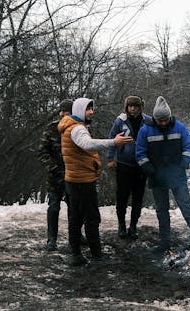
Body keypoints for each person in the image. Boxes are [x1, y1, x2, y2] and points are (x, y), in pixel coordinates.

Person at [58, 98, 133, 266]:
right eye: (88, 109)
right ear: (79, 111)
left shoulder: (71, 126)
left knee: (75, 218)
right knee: (91, 218)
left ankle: (76, 254)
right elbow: (88, 144)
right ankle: (96, 255)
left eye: (91, 109)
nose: (91, 112)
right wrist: (114, 142)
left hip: (74, 179)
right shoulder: (77, 129)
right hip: (82, 181)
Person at [135, 96, 190, 254]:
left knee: (185, 203)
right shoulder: (145, 130)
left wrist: (185, 160)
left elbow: (189, 145)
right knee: (161, 209)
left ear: (169, 117)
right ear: (155, 118)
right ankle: (165, 241)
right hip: (156, 175)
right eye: (160, 120)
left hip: (177, 172)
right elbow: (140, 153)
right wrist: (150, 170)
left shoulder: (179, 127)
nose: (163, 123)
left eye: (165, 120)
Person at [107, 95, 152, 240]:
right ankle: (121, 225)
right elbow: (112, 138)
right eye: (130, 106)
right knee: (122, 196)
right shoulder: (120, 120)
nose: (132, 109)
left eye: (135, 106)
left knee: (138, 197)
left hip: (141, 165)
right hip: (124, 164)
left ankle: (133, 226)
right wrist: (110, 158)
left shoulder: (148, 120)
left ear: (140, 107)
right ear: (126, 107)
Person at [37, 99, 73, 251]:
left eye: (67, 111)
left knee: (75, 209)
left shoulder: (77, 128)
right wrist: (53, 167)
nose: (63, 114)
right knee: (53, 208)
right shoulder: (52, 128)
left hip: (73, 175)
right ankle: (51, 239)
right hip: (55, 176)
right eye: (62, 111)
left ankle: (75, 237)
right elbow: (42, 153)